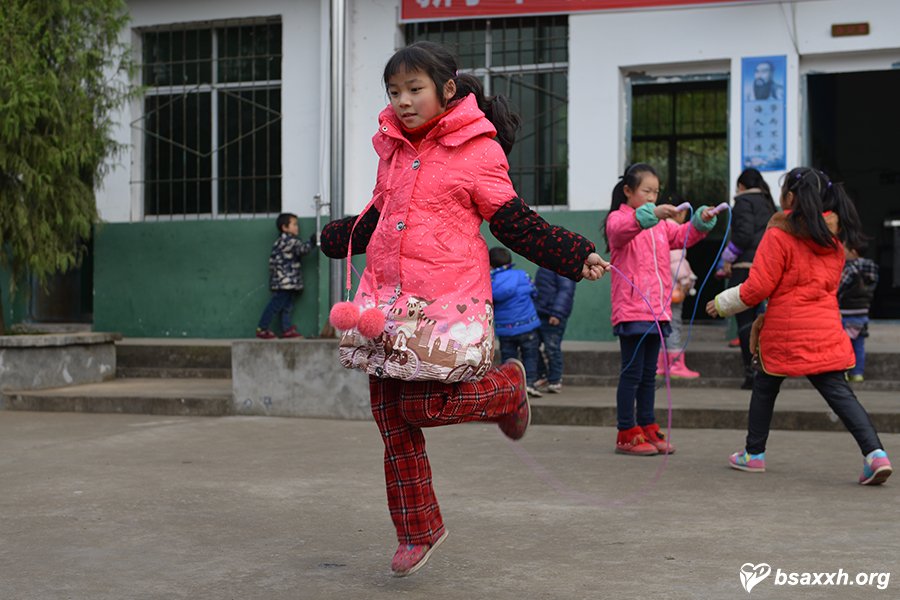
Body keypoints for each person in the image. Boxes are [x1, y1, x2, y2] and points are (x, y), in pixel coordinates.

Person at [319, 41, 609, 577]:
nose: (403, 101)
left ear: (446, 90)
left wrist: (573, 252)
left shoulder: (478, 151)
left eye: (414, 89)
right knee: (390, 419)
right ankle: (418, 529)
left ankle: (506, 390)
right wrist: (336, 237)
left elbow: (513, 221)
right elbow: (381, 213)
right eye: (394, 92)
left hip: (443, 301)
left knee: (423, 407)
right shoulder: (393, 150)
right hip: (384, 299)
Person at [706, 167, 892, 486]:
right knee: (840, 393)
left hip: (785, 330)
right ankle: (876, 454)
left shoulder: (778, 235)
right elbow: (829, 285)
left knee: (764, 387)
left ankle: (754, 455)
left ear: (790, 197)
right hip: (825, 329)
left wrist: (722, 303)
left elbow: (758, 287)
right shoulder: (833, 242)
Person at [604, 163, 718, 456]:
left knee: (648, 375)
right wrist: (653, 214)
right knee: (631, 373)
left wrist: (701, 221)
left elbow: (683, 237)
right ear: (628, 191)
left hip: (658, 311)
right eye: (647, 191)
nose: (653, 197)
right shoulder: (618, 220)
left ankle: (647, 426)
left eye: (656, 192)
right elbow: (624, 230)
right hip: (631, 311)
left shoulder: (662, 227)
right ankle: (626, 432)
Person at [718, 168, 777, 389]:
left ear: (741, 186)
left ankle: (752, 372)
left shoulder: (743, 202)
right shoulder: (768, 202)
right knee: (763, 320)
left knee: (745, 320)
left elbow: (743, 235)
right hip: (767, 266)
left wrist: (727, 257)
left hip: (745, 267)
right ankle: (767, 369)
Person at [656, 195, 700, 379]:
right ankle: (674, 365)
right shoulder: (673, 228)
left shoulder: (657, 227)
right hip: (672, 288)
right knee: (674, 324)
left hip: (658, 287)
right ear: (679, 211)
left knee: (660, 326)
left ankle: (659, 365)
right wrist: (685, 280)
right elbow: (676, 261)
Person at [489, 247, 543, 397]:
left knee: (508, 358)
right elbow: (534, 292)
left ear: (490, 265)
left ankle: (510, 385)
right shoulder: (523, 275)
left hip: (506, 329)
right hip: (528, 325)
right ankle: (530, 383)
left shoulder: (490, 281)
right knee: (531, 356)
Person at [255, 212, 315, 339]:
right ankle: (262, 328)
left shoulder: (280, 242)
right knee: (276, 305)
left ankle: (286, 329)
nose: (297, 227)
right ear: (284, 227)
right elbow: (303, 249)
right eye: (294, 224)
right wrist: (313, 240)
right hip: (285, 282)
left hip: (283, 282)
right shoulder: (289, 241)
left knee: (286, 307)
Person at [839, 242, 879, 383]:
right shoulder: (872, 267)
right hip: (862, 313)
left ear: (853, 252)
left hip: (845, 313)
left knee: (843, 345)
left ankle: (843, 372)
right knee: (859, 345)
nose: (842, 252)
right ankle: (857, 373)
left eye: (844, 249)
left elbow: (839, 287)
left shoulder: (849, 268)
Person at [533, 266, 576, 393]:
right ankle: (542, 375)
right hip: (540, 312)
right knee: (532, 345)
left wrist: (557, 313)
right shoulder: (544, 266)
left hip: (553, 314)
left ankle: (555, 379)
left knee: (552, 347)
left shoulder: (563, 267)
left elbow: (566, 291)